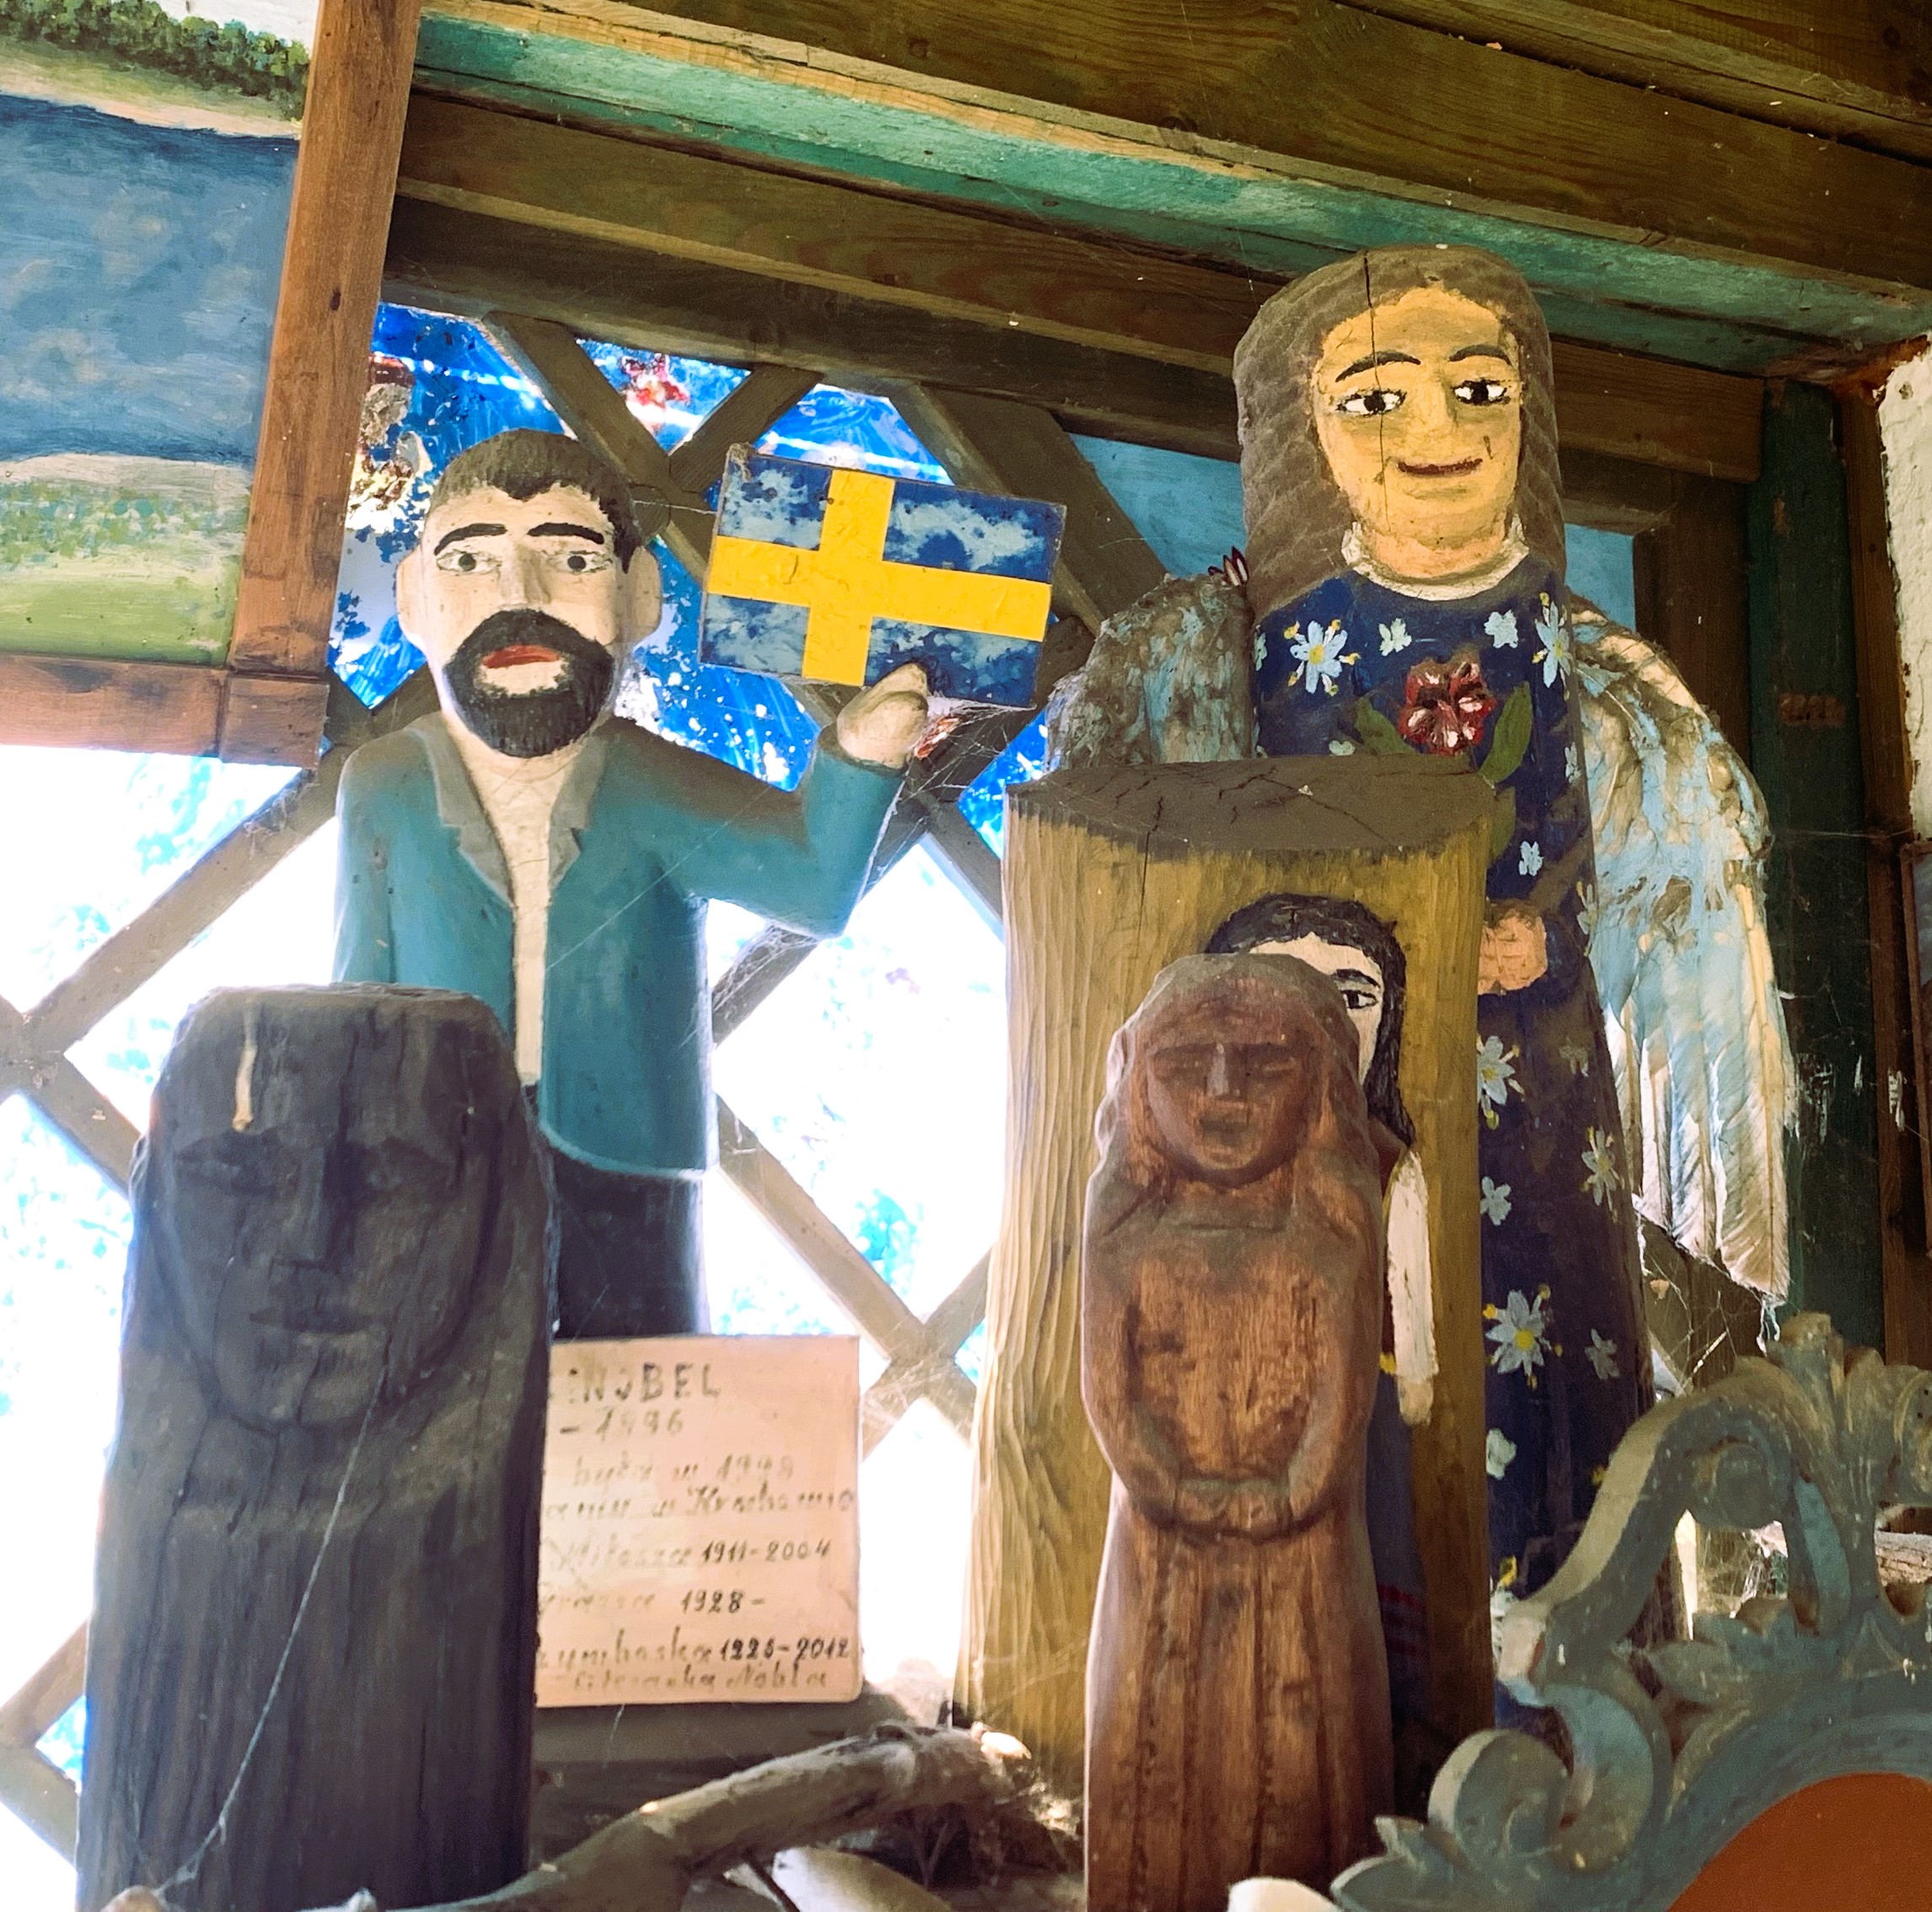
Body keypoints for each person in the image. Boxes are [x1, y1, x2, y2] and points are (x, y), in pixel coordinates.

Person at [1232, 248, 1652, 1629]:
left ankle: (1577, 1630)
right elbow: (1269, 862)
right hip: (1376, 1070)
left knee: (1560, 1331)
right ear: (1307, 427)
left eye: (1479, 390)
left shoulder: (1554, 633)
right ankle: (1399, 1646)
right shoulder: (1293, 636)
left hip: (1541, 1071)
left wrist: (1548, 942)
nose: (1437, 430)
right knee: (1391, 1342)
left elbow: (1599, 842)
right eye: (1375, 398)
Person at [334, 428, 929, 1336]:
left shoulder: (647, 782)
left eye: (572, 559)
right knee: (435, 1376)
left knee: (643, 1373)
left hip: (632, 1154)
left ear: (640, 593)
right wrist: (342, 1141)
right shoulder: (386, 786)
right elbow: (356, 992)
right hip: (425, 1152)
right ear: (415, 596)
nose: (519, 597)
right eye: (471, 561)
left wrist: (862, 754)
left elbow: (809, 884)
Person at [1207, 893, 1433, 1748]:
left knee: (1364, 1570)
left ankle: (1382, 1721)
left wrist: (1405, 1380)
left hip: (1362, 1416)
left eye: (1353, 995)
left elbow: (1411, 1331)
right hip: (1242, 1408)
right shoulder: (1211, 1156)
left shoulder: (1387, 1164)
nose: (1320, 1017)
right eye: (1280, 982)